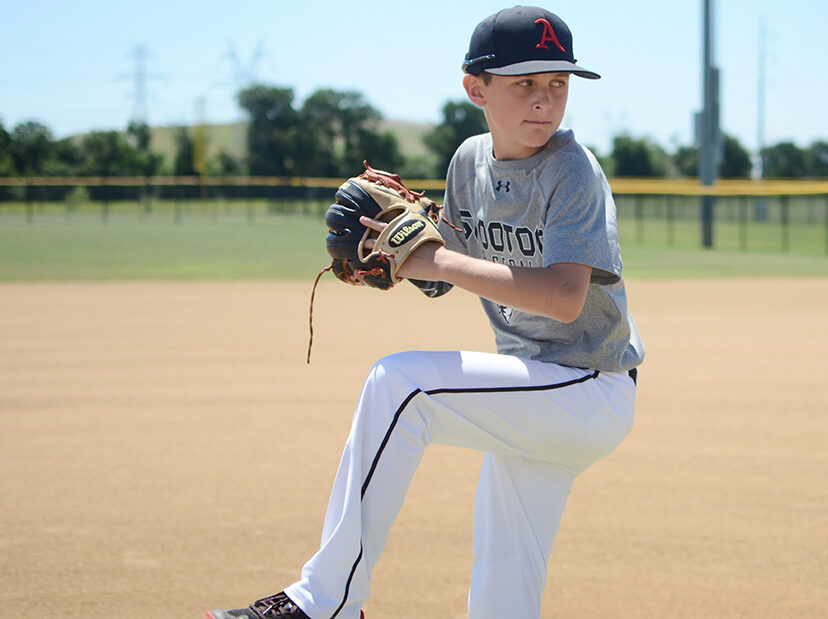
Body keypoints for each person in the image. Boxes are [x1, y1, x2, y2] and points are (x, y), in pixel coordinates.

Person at [206, 6, 644, 618]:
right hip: (531, 387)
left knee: (401, 385)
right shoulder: (469, 162)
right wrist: (400, 255)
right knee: (504, 583)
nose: (545, 100)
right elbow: (448, 273)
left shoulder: (573, 170)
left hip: (588, 387)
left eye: (558, 83)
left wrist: (431, 260)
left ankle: (325, 600)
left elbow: (563, 298)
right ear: (476, 88)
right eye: (524, 84)